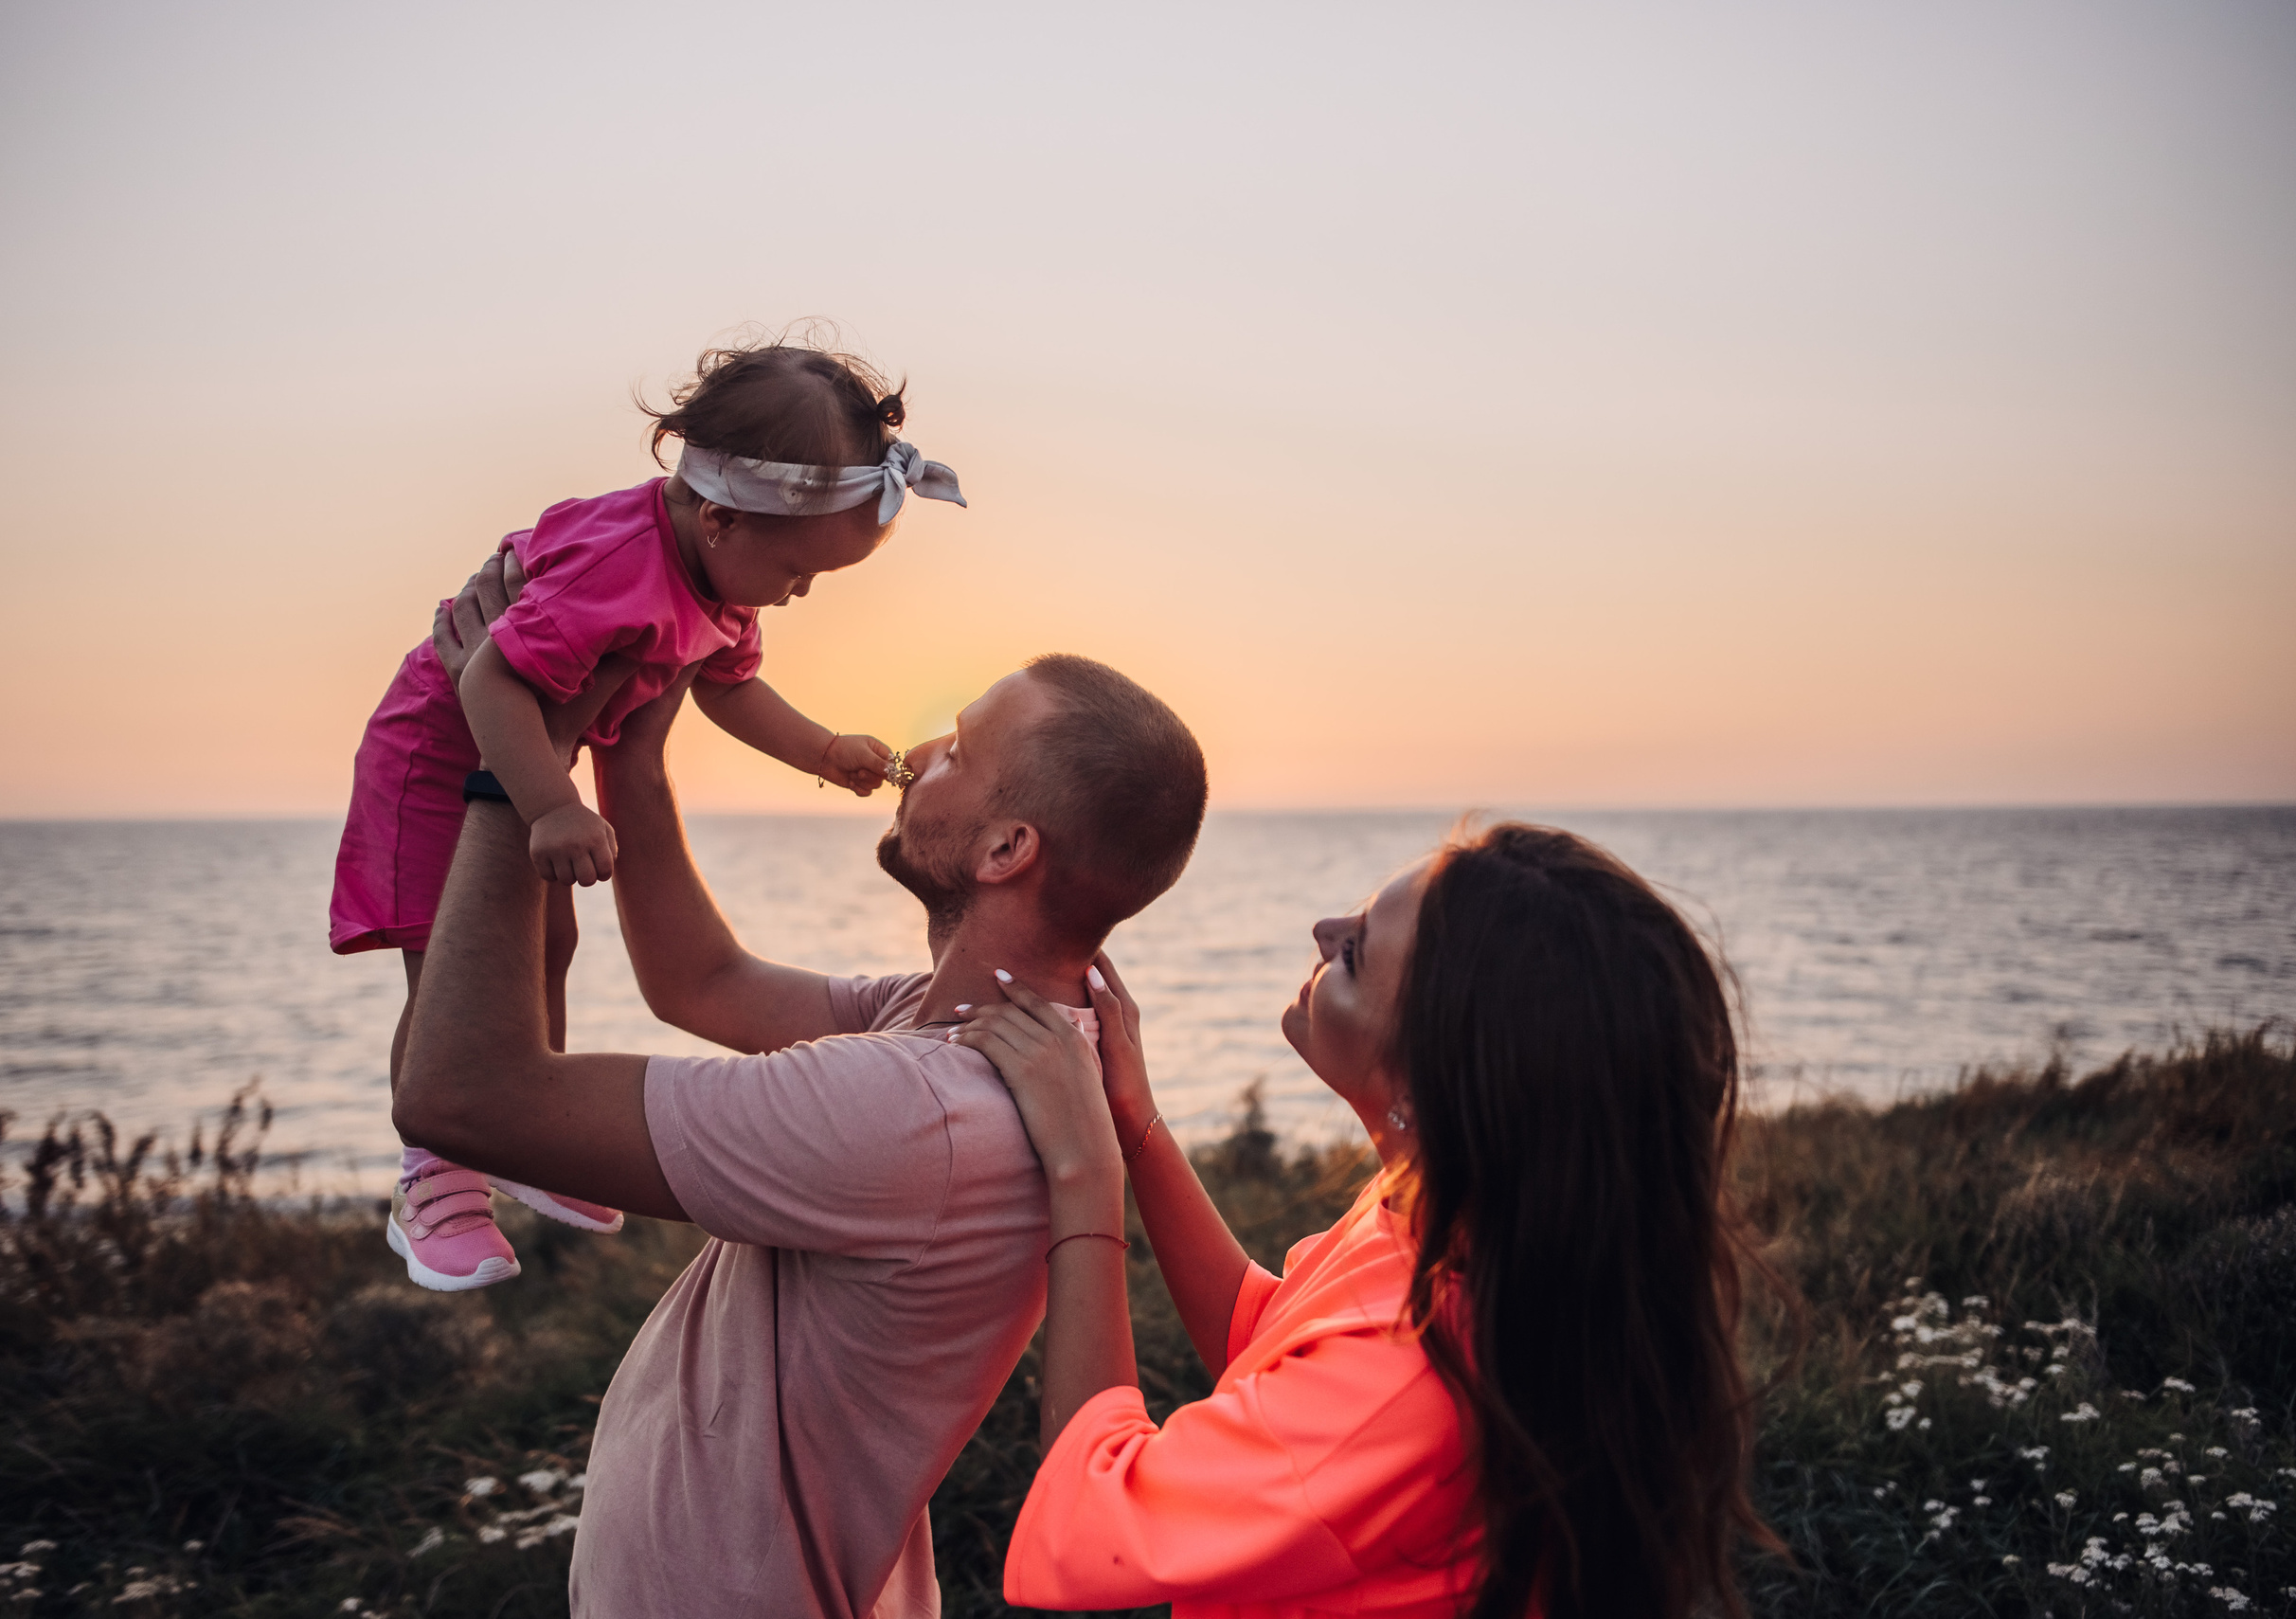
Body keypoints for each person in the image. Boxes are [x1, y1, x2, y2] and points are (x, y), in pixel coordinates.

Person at [391, 550, 1209, 1618]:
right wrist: (632, 743)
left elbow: (461, 1098)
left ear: (1009, 847)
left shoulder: (915, 1106)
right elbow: (701, 982)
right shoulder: (979, 1030)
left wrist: (513, 768)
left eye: (957, 749)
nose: (919, 754)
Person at [951, 824, 1782, 1619]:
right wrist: (1133, 1122)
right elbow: (1268, 1345)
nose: (1322, 929)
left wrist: (1083, 1170)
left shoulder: (1408, 1372)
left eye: (1356, 951)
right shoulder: (1457, 1214)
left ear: (1431, 1084)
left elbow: (1092, 1508)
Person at [332, 333, 965, 1291]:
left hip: (532, 758)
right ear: (721, 519)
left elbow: (728, 689)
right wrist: (546, 805)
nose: (795, 597)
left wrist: (824, 749)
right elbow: (491, 677)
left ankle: (523, 1136)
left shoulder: (718, 579)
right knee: (451, 969)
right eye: (801, 573)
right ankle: (435, 1178)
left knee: (545, 944)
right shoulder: (616, 569)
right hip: (441, 752)